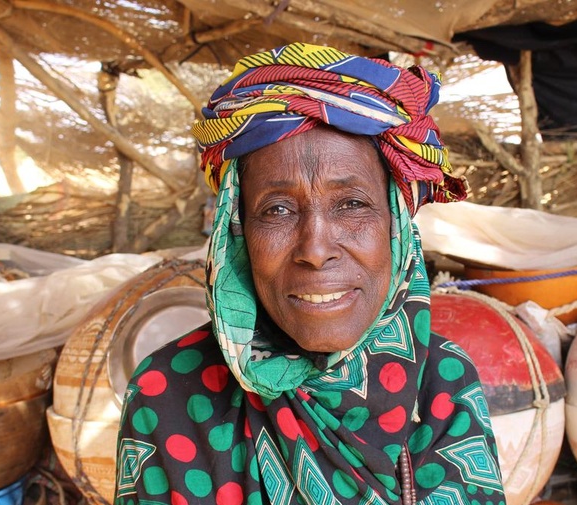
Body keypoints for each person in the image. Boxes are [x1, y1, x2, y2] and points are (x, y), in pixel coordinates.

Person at [115, 43, 505, 505]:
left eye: (352, 205)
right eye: (277, 210)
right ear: (236, 233)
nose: (315, 250)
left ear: (396, 228)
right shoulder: (171, 393)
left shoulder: (443, 380)